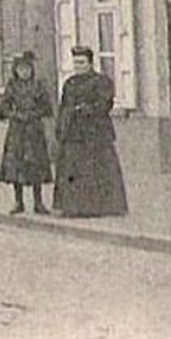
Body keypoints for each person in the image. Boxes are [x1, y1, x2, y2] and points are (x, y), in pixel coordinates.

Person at [53, 46, 128, 217]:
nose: (78, 67)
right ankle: (72, 207)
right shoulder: (70, 83)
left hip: (96, 133)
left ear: (90, 63)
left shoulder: (102, 82)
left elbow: (104, 104)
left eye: (82, 63)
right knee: (72, 170)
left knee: (96, 170)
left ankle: (99, 207)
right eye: (76, 63)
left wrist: (85, 109)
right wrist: (60, 127)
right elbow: (63, 107)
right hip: (73, 133)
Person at [0, 51, 53, 214]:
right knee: (16, 166)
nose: (24, 72)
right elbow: (3, 108)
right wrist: (15, 115)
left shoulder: (38, 85)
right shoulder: (12, 86)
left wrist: (34, 114)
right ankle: (18, 202)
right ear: (16, 70)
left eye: (27, 68)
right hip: (17, 131)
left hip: (34, 130)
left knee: (36, 165)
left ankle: (38, 202)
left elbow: (47, 107)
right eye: (21, 69)